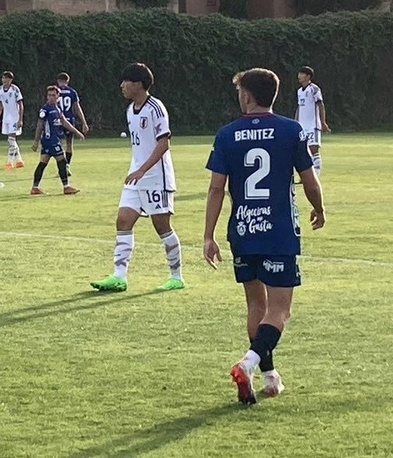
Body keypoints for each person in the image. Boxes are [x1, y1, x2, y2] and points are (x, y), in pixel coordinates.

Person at [204, 68, 325, 405]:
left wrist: (208, 235)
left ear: (246, 96)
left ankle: (269, 377)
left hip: (243, 230)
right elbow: (309, 179)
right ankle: (250, 362)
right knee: (280, 311)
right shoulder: (291, 130)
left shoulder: (227, 134)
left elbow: (216, 188)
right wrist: (319, 208)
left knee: (256, 304)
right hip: (279, 231)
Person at [91, 62, 183, 293]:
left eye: (126, 81)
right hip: (136, 177)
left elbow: (164, 143)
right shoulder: (130, 110)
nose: (122, 85)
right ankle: (119, 276)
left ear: (139, 84)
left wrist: (142, 170)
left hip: (156, 177)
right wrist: (136, 170)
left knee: (161, 225)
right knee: (123, 220)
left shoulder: (156, 108)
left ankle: (176, 276)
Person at [30, 84, 84, 196]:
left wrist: (76, 132)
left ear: (58, 96)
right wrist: (36, 141)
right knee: (62, 161)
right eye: (49, 95)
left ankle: (35, 188)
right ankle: (66, 187)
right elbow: (39, 125)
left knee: (42, 163)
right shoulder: (45, 109)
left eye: (53, 95)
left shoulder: (57, 108)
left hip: (52, 140)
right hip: (51, 140)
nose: (51, 97)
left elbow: (64, 122)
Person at [295, 66, 328, 174]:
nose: (299, 76)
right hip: (302, 125)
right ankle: (306, 175)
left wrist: (322, 122)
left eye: (302, 74)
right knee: (303, 151)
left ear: (308, 76)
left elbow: (320, 104)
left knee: (314, 150)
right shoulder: (299, 91)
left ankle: (316, 176)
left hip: (312, 125)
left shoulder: (314, 89)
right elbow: (299, 107)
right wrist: (296, 122)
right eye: (299, 73)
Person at [55, 71, 89, 170]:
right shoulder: (72, 92)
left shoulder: (55, 91)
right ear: (67, 81)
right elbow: (77, 108)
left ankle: (61, 166)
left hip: (57, 120)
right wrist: (84, 122)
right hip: (69, 119)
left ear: (58, 81)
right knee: (69, 144)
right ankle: (67, 165)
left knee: (59, 144)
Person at [0, 70, 24, 169]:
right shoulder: (0, 89)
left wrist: (20, 119)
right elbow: (0, 104)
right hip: (6, 118)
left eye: (6, 78)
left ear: (10, 80)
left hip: (15, 117)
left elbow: (20, 104)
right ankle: (19, 160)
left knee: (11, 139)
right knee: (12, 140)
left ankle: (9, 162)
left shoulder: (15, 89)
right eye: (3, 78)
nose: (4, 80)